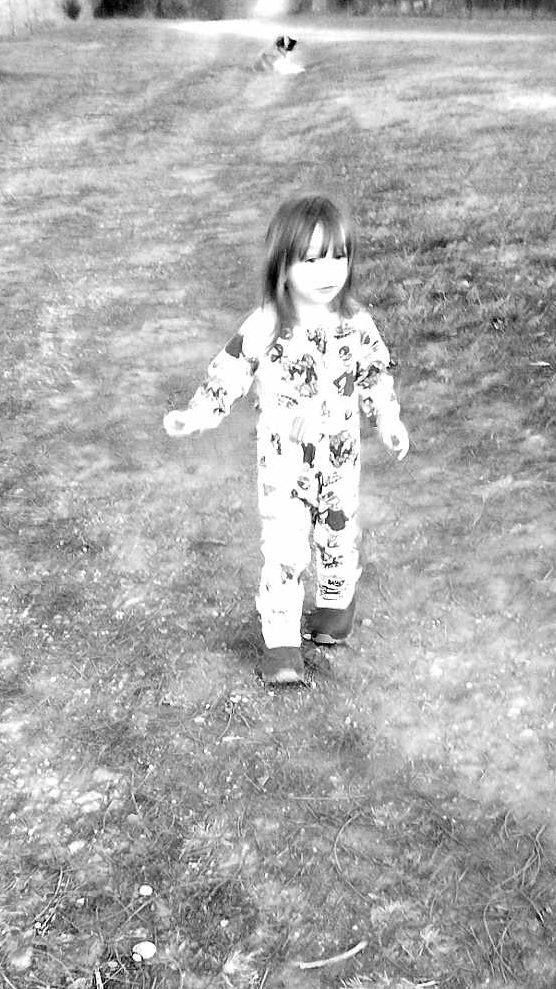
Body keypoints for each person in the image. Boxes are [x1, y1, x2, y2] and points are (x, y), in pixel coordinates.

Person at [164, 195, 410, 687]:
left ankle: (333, 615)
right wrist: (198, 415)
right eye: (312, 259)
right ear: (283, 265)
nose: (328, 270)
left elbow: (374, 374)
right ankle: (281, 647)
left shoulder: (355, 323)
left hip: (340, 465)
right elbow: (228, 373)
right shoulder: (265, 327)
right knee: (284, 548)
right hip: (283, 469)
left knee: (338, 538)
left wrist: (387, 418)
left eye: (338, 256)